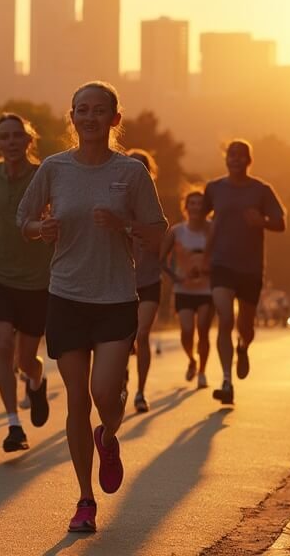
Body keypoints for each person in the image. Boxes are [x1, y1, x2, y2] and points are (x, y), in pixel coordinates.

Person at [17, 83, 167, 533]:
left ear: (114, 120)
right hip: (66, 295)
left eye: (99, 111)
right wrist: (39, 229)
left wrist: (124, 223)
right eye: (82, 110)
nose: (90, 118)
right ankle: (85, 499)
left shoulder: (133, 172)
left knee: (106, 394)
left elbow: (158, 232)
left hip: (116, 296)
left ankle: (109, 435)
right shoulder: (54, 168)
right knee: (77, 400)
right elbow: (23, 220)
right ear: (72, 117)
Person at [0, 115, 54, 452]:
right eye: (4, 137)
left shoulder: (44, 175)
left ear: (29, 139)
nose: (10, 142)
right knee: (2, 343)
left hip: (36, 277)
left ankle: (36, 381)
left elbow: (60, 208)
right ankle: (13, 425)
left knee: (25, 359)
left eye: (17, 136)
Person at [202, 140, 286, 405]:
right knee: (224, 318)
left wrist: (261, 221)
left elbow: (280, 222)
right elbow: (198, 217)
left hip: (250, 267)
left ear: (249, 160)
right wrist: (199, 250)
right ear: (226, 159)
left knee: (246, 326)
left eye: (241, 156)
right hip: (221, 264)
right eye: (231, 155)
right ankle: (226, 380)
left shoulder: (261, 190)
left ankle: (243, 346)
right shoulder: (214, 189)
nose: (236, 159)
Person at [160, 189, 214, 389]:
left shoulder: (212, 230)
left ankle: (202, 372)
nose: (196, 207)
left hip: (207, 290)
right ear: (186, 207)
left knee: (203, 330)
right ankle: (192, 359)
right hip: (183, 290)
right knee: (187, 331)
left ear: (206, 207)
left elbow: (222, 255)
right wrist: (176, 278)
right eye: (192, 203)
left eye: (200, 203)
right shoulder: (177, 231)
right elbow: (162, 261)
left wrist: (212, 271)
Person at [125, 149, 163, 413]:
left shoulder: (153, 208)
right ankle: (122, 382)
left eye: (143, 167)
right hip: (120, 281)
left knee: (142, 333)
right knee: (123, 339)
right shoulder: (116, 203)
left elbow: (162, 239)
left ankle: (140, 392)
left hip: (149, 279)